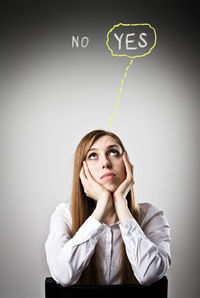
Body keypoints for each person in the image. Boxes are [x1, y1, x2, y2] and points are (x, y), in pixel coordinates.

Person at [45, 129, 171, 286]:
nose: (105, 163)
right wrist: (102, 206)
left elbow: (150, 274)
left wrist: (120, 203)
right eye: (93, 155)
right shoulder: (64, 215)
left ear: (127, 164)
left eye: (113, 152)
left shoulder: (151, 216)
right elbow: (63, 275)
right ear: (82, 170)